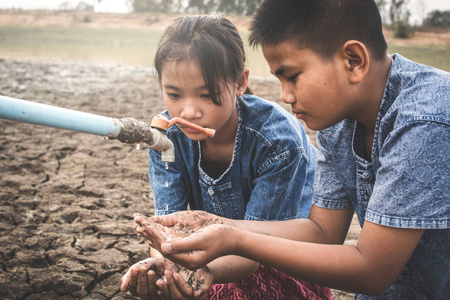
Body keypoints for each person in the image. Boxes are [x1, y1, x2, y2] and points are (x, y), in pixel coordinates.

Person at [133, 1, 450, 299]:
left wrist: (233, 237)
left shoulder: (422, 119)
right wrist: (213, 225)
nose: (284, 96)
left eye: (293, 77)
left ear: (353, 61)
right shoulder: (338, 122)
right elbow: (322, 232)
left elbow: (373, 269)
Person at [120, 15, 333, 300]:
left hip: (277, 255)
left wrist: (201, 272)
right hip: (212, 256)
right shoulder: (164, 139)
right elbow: (166, 227)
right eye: (173, 94)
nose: (188, 112)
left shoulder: (278, 141)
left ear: (240, 83)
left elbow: (256, 251)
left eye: (206, 95)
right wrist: (166, 266)